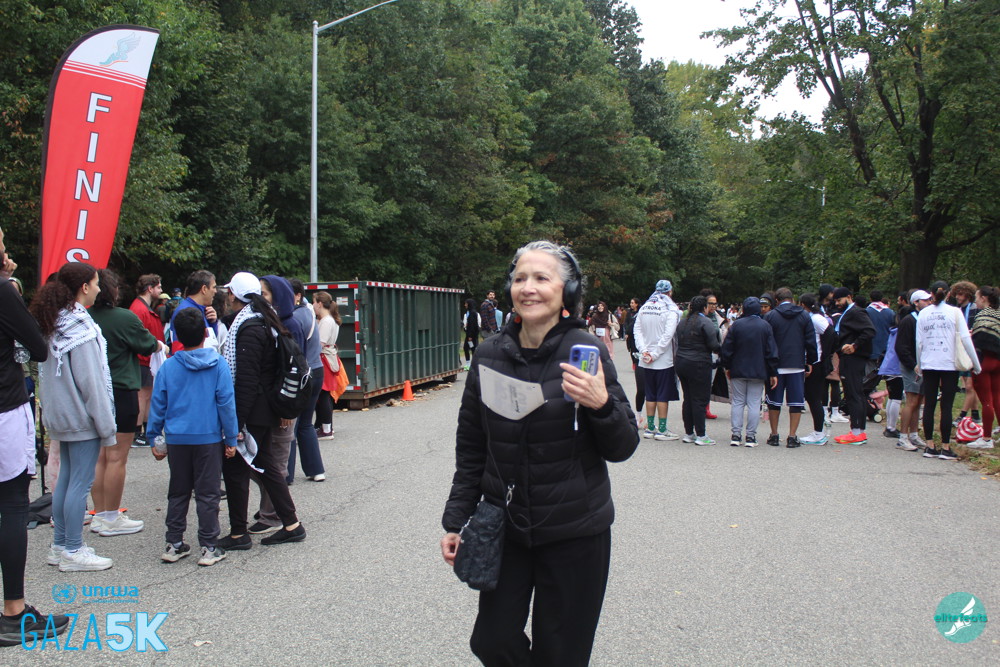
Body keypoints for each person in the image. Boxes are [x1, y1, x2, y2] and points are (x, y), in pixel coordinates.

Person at [440, 241, 638, 665]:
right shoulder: (489, 354)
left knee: (562, 654)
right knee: (491, 641)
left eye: (541, 278)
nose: (528, 287)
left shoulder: (586, 351)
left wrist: (601, 405)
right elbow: (472, 445)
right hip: (507, 526)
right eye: (520, 278)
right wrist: (456, 520)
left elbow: (622, 447)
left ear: (567, 291)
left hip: (575, 530)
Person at [0, 227, 70, 645]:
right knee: (11, 504)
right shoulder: (3, 290)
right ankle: (14, 611)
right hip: (3, 408)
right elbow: (38, 348)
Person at [31, 262, 115, 571]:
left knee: (66, 481)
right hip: (81, 417)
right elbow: (91, 382)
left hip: (60, 415)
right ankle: (73, 549)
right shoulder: (80, 327)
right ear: (84, 287)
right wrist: (106, 424)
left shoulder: (54, 320)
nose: (99, 289)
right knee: (79, 483)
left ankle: (60, 546)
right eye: (96, 283)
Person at [217, 272, 305, 549]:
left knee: (236, 470)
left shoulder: (250, 328)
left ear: (233, 295)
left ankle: (238, 534)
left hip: (252, 412)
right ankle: (292, 524)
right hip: (262, 409)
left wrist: (235, 425)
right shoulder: (262, 319)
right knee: (266, 466)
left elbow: (246, 381)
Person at [146, 307, 238, 566]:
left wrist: (154, 437)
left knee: (178, 491)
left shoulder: (169, 367)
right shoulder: (218, 364)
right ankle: (209, 546)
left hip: (177, 438)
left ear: (176, 335)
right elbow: (226, 404)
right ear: (205, 334)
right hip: (208, 437)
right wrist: (231, 438)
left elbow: (158, 404)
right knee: (208, 493)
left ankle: (174, 543)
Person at [88, 269, 161, 537]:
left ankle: (98, 513)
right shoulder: (124, 317)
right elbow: (148, 344)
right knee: (117, 456)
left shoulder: (84, 317)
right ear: (113, 290)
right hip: (121, 389)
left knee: (98, 456)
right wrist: (159, 346)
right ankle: (111, 516)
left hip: (93, 392)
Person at [249, 275, 305, 534]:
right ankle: (270, 505)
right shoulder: (271, 321)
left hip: (283, 407)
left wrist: (286, 410)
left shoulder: (289, 324)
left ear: (279, 296)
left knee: (276, 463)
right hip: (273, 404)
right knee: (260, 460)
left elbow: (293, 372)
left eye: (265, 293)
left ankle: (272, 515)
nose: (260, 298)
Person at [917, 281, 981, 460]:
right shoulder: (955, 312)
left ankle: (929, 445)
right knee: (947, 405)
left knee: (929, 404)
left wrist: (919, 363)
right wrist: (976, 364)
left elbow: (919, 342)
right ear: (948, 294)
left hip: (929, 362)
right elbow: (966, 339)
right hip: (949, 363)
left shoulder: (924, 313)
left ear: (931, 294)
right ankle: (945, 446)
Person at [763, 287, 818, 448]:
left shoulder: (771, 316)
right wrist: (810, 361)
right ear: (792, 299)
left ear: (777, 300)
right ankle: (792, 436)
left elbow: (767, 341)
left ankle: (774, 434)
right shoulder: (804, 315)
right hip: (797, 363)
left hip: (777, 365)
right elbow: (810, 340)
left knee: (774, 402)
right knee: (796, 402)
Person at [720, 297, 778, 447]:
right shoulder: (765, 326)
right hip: (758, 369)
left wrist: (727, 366)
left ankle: (736, 434)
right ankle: (751, 436)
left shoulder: (736, 325)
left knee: (738, 401)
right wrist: (773, 372)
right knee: (754, 402)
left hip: (738, 368)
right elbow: (771, 351)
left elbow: (727, 348)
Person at [287, 280, 326, 482]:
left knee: (290, 425)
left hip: (302, 373)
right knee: (306, 423)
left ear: (297, 295)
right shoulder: (309, 311)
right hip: (316, 369)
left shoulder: (294, 317)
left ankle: (286, 474)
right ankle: (315, 470)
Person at [634, 280, 682, 440]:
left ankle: (650, 428)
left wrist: (644, 350)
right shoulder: (671, 309)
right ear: (670, 292)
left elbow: (637, 331)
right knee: (662, 395)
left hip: (645, 358)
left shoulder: (644, 307)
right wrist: (655, 354)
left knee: (650, 394)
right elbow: (668, 335)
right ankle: (662, 429)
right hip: (663, 359)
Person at [673, 296, 722, 445]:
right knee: (699, 399)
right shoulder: (705, 322)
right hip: (699, 363)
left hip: (681, 361)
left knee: (688, 398)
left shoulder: (682, 322)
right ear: (704, 308)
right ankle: (701, 434)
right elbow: (713, 345)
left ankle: (689, 433)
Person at [830, 287, 876, 446]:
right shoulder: (848, 313)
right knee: (855, 392)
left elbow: (869, 331)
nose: (837, 304)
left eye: (839, 300)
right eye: (835, 301)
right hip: (848, 357)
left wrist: (855, 345)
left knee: (853, 393)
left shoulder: (856, 312)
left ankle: (856, 431)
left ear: (849, 297)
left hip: (853, 358)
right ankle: (858, 430)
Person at [128, 274, 165, 448]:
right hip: (143, 359)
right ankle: (137, 433)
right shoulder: (139, 309)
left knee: (147, 395)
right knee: (142, 395)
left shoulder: (142, 308)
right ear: (150, 289)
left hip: (147, 358)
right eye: (159, 287)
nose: (161, 290)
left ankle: (145, 432)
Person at [894, 290, 930, 451]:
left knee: (919, 400)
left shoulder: (925, 319)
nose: (929, 303)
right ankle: (903, 437)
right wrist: (913, 364)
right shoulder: (909, 321)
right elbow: (901, 347)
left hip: (923, 365)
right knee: (911, 400)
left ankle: (914, 434)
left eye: (930, 300)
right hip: (911, 366)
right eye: (925, 300)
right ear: (916, 302)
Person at [797, 293, 831, 445]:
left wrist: (825, 354)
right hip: (812, 360)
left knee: (814, 397)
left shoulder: (816, 319)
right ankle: (818, 431)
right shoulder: (810, 317)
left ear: (803, 304)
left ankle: (819, 433)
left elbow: (830, 334)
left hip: (816, 362)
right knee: (811, 397)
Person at [969, 286, 1000, 449]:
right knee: (997, 396)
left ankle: (986, 438)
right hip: (998, 360)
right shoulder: (998, 314)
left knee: (986, 400)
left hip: (984, 361)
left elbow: (979, 340)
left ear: (983, 298)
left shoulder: (982, 315)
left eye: (976, 297)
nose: (975, 301)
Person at [951, 281, 981, 425]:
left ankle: (962, 416)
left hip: (972, 349)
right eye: (956, 294)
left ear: (968, 294)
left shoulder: (975, 309)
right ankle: (975, 415)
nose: (958, 296)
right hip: (960, 350)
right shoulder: (957, 310)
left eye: (961, 294)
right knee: (969, 386)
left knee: (969, 386)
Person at [167, 270, 220, 353]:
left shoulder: (203, 310)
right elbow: (179, 351)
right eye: (213, 287)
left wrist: (212, 323)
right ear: (204, 289)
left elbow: (210, 343)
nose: (215, 291)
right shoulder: (185, 312)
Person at [313, 291, 341, 441]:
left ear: (319, 304)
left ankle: (326, 429)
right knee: (325, 395)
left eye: (314, 302)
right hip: (328, 358)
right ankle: (324, 426)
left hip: (323, 358)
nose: (312, 306)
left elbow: (320, 344)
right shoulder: (330, 319)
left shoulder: (326, 321)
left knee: (323, 395)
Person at [623, 297, 644, 420]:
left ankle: (636, 364)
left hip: (637, 338)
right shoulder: (629, 313)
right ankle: (635, 363)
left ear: (637, 304)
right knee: (632, 351)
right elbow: (626, 323)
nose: (631, 304)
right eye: (630, 302)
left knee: (636, 352)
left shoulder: (640, 312)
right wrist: (626, 331)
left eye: (633, 302)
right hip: (631, 338)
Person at [462, 298, 481, 370]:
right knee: (470, 348)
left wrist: (470, 336)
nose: (465, 305)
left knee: (470, 348)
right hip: (470, 334)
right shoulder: (470, 312)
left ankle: (472, 364)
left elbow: (472, 325)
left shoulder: (472, 313)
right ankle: (470, 364)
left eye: (466, 303)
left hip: (471, 335)